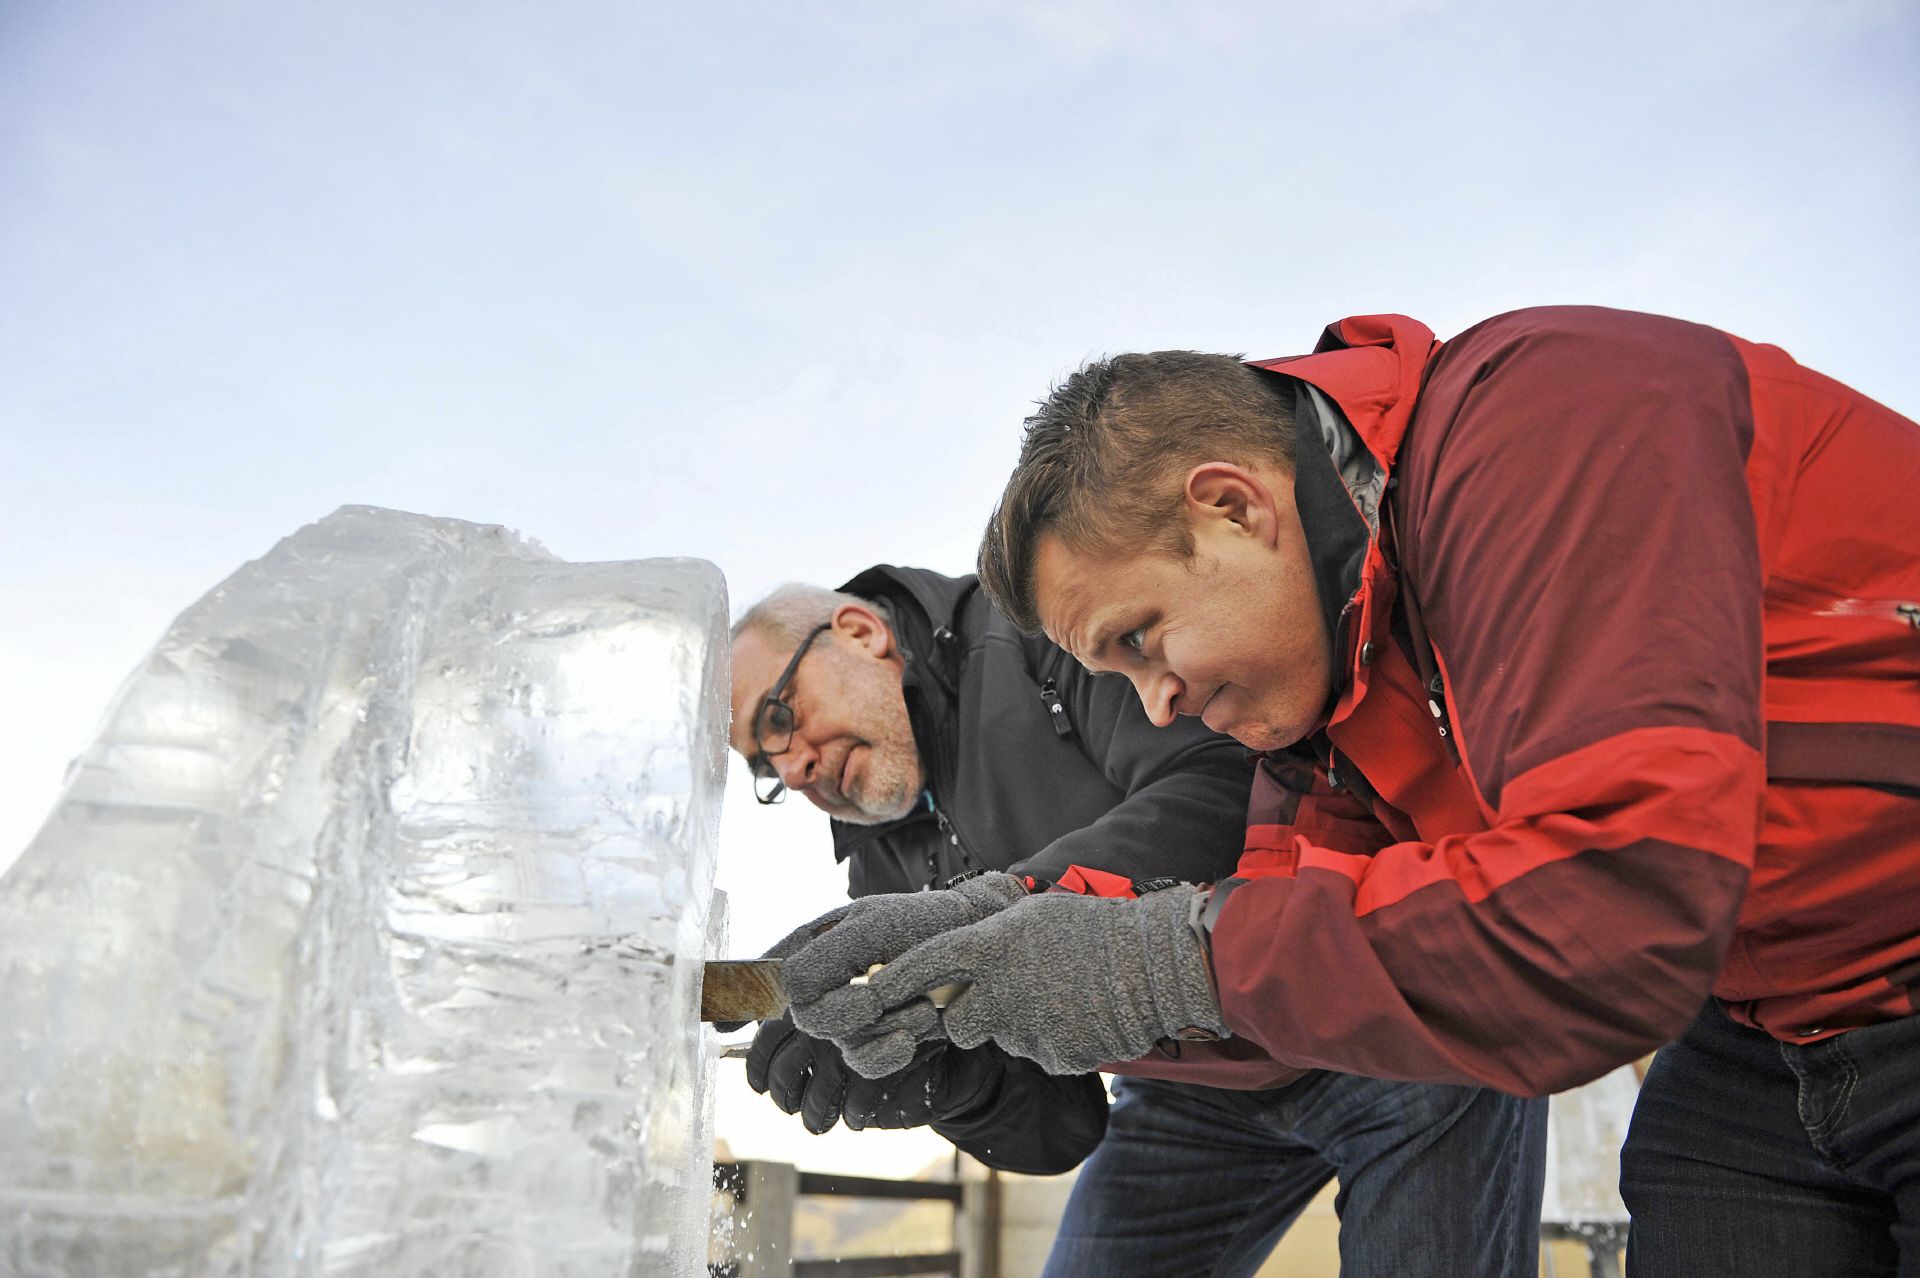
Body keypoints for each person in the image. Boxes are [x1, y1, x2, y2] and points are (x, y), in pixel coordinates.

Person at [782, 306, 1920, 1277]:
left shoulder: (1542, 422)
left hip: (1887, 945)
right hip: (1773, 1037)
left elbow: (1618, 903)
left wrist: (1152, 960)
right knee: (1688, 1173)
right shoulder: (1337, 711)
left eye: (1140, 640)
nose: (1159, 701)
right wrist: (979, 957)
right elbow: (1260, 935)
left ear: (1234, 505)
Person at [730, 567, 1547, 1277]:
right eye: (765, 768)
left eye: (780, 715)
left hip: (1365, 1001)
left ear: (860, 630)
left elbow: (1226, 784)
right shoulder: (884, 871)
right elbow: (1065, 1124)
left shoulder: (1038, 626)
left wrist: (999, 911)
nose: (793, 766)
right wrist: (953, 1081)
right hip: (1192, 1091)